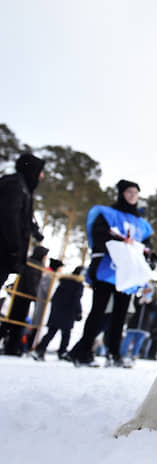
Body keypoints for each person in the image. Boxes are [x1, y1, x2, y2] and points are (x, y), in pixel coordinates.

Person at [68, 179, 155, 367]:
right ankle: (83, 353)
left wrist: (150, 259)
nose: (132, 196)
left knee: (120, 315)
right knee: (98, 312)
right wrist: (111, 246)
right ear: (122, 194)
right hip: (108, 269)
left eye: (135, 193)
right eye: (129, 192)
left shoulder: (142, 224)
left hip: (128, 273)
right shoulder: (107, 214)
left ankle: (114, 354)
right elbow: (99, 237)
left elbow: (147, 246)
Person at [0, 152, 45, 285]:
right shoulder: (14, 185)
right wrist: (15, 248)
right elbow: (9, 217)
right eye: (40, 172)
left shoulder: (23, 189)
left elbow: (24, 219)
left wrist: (35, 233)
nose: (41, 176)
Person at [2, 245, 48, 355]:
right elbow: (32, 283)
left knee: (13, 321)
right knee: (16, 322)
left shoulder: (31, 263)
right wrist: (36, 296)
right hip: (24, 296)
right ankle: (11, 348)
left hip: (21, 295)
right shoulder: (35, 265)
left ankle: (11, 346)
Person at [31, 265, 84, 361]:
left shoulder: (63, 282)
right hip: (68, 312)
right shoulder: (78, 284)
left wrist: (54, 310)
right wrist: (78, 312)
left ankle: (40, 349)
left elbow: (55, 297)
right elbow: (76, 299)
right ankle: (62, 352)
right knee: (66, 334)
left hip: (57, 311)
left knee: (51, 332)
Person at [119, 284, 156, 367]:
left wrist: (149, 302)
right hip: (133, 324)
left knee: (138, 342)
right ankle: (122, 355)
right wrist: (140, 300)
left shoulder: (151, 302)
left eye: (149, 290)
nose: (147, 291)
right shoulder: (137, 298)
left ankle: (133, 356)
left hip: (144, 326)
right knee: (127, 340)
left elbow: (155, 310)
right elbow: (133, 307)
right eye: (146, 290)